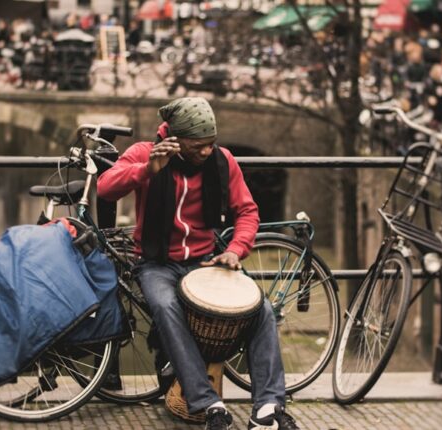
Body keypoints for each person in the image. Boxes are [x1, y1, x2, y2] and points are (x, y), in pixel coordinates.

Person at [97, 98, 299, 430]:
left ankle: (267, 408)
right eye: (197, 145)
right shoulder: (145, 152)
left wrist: (236, 249)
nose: (206, 152)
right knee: (165, 306)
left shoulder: (223, 162)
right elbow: (106, 188)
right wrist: (147, 169)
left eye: (210, 144)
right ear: (175, 139)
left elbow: (247, 212)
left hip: (207, 261)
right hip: (156, 263)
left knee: (260, 309)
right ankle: (210, 406)